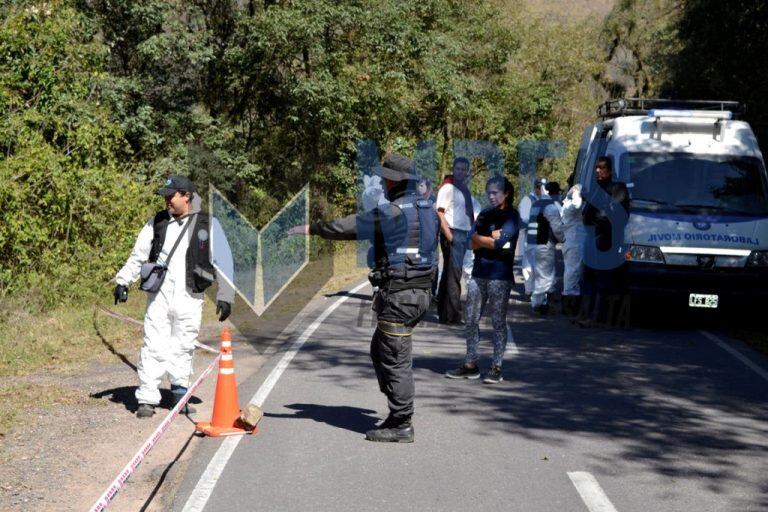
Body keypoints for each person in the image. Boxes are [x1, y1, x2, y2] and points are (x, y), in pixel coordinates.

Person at [289, 154, 438, 443]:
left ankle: (402, 422)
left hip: (402, 295)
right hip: (419, 292)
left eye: (385, 177)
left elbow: (351, 226)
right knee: (381, 350)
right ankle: (397, 409)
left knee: (394, 357)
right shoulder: (427, 207)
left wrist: (314, 228)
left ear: (394, 180)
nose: (382, 181)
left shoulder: (394, 212)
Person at [113, 176, 235, 418]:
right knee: (153, 345)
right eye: (165, 196)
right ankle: (147, 399)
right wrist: (123, 281)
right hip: (159, 296)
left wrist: (226, 295)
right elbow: (138, 255)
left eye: (171, 195)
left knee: (184, 344)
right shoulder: (156, 223)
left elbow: (224, 261)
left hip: (190, 296)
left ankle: (180, 394)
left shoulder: (207, 224)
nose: (167, 200)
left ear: (186, 196)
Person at [446, 176, 519, 384]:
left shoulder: (512, 216)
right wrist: (487, 238)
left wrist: (483, 239)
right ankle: (470, 364)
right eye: (489, 192)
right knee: (470, 319)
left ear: (506, 194)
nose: (491, 195)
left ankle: (496, 367)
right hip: (479, 273)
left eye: (496, 192)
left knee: (497, 322)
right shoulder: (485, 214)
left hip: (499, 276)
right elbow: (470, 242)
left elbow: (500, 244)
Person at [578, 156, 630, 327]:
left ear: (610, 169)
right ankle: (585, 313)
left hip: (606, 240)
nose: (598, 171)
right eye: (596, 168)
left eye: (602, 167)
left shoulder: (617, 188)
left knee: (602, 280)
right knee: (588, 278)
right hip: (590, 237)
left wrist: (602, 224)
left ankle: (596, 316)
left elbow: (619, 216)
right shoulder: (595, 187)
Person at [436, 157, 474, 324]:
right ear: (453, 168)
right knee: (454, 276)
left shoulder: (462, 188)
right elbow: (440, 213)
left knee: (449, 274)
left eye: (464, 169)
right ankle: (453, 316)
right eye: (458, 169)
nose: (461, 172)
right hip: (453, 233)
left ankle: (445, 314)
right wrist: (449, 235)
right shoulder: (448, 188)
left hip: (462, 233)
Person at [529, 181, 563, 314]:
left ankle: (541, 303)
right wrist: (563, 239)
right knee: (544, 276)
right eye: (558, 193)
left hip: (533, 243)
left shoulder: (536, 203)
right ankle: (538, 305)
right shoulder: (551, 207)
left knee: (539, 274)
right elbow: (557, 228)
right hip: (544, 243)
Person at [517, 177, 547, 298]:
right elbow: (524, 219)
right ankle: (529, 291)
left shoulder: (546, 199)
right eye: (540, 187)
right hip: (530, 237)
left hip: (543, 237)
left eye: (544, 187)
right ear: (535, 188)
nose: (543, 190)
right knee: (528, 265)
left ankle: (541, 291)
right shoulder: (527, 200)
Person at [560, 184, 586, 315]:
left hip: (570, 242)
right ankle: (569, 302)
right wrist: (577, 192)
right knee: (573, 271)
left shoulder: (565, 204)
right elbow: (577, 204)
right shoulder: (571, 205)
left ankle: (569, 298)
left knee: (571, 270)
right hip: (573, 242)